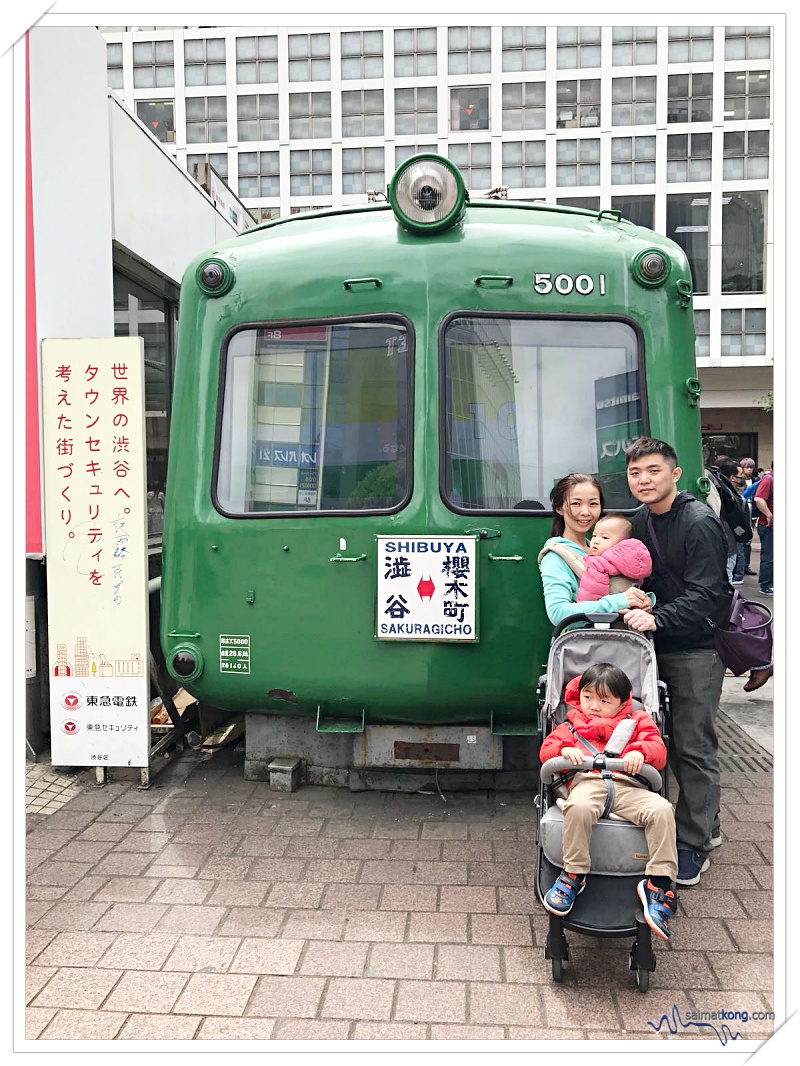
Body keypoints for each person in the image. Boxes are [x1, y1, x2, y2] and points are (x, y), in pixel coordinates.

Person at [619, 437, 732, 887]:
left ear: (675, 473)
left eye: (652, 471)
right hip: (657, 643)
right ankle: (708, 824)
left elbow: (710, 594)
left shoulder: (698, 521)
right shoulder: (641, 519)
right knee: (665, 739)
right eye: (635, 473)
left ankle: (694, 844)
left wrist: (654, 616)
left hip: (697, 648)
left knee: (692, 745)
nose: (643, 480)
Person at [540, 662, 677, 939]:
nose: (593, 706)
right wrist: (564, 749)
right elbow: (547, 750)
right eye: (587, 697)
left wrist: (640, 752)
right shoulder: (571, 723)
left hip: (629, 786)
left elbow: (658, 750)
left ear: (623, 702)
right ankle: (574, 873)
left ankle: (659, 882)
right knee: (578, 807)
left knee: (662, 809)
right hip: (587, 783)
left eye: (604, 701)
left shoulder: (637, 722)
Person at [538, 473, 651, 628]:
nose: (586, 512)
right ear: (559, 508)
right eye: (576, 504)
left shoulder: (597, 548)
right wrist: (621, 600)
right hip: (588, 645)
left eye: (593, 504)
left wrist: (642, 600)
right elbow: (558, 613)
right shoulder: (556, 556)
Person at [576, 514, 653, 601]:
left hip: (608, 610)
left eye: (604, 537)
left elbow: (591, 594)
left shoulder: (597, 563)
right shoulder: (634, 560)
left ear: (621, 543)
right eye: (594, 536)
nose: (596, 541)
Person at [708, 458, 752, 585]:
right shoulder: (726, 494)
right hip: (727, 543)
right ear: (732, 478)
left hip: (729, 543)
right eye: (740, 475)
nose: (742, 477)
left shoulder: (725, 491)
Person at [753, 462, 774, 596]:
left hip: (770, 524)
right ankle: (766, 584)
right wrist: (769, 514)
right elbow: (758, 498)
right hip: (768, 524)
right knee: (769, 556)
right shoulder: (768, 480)